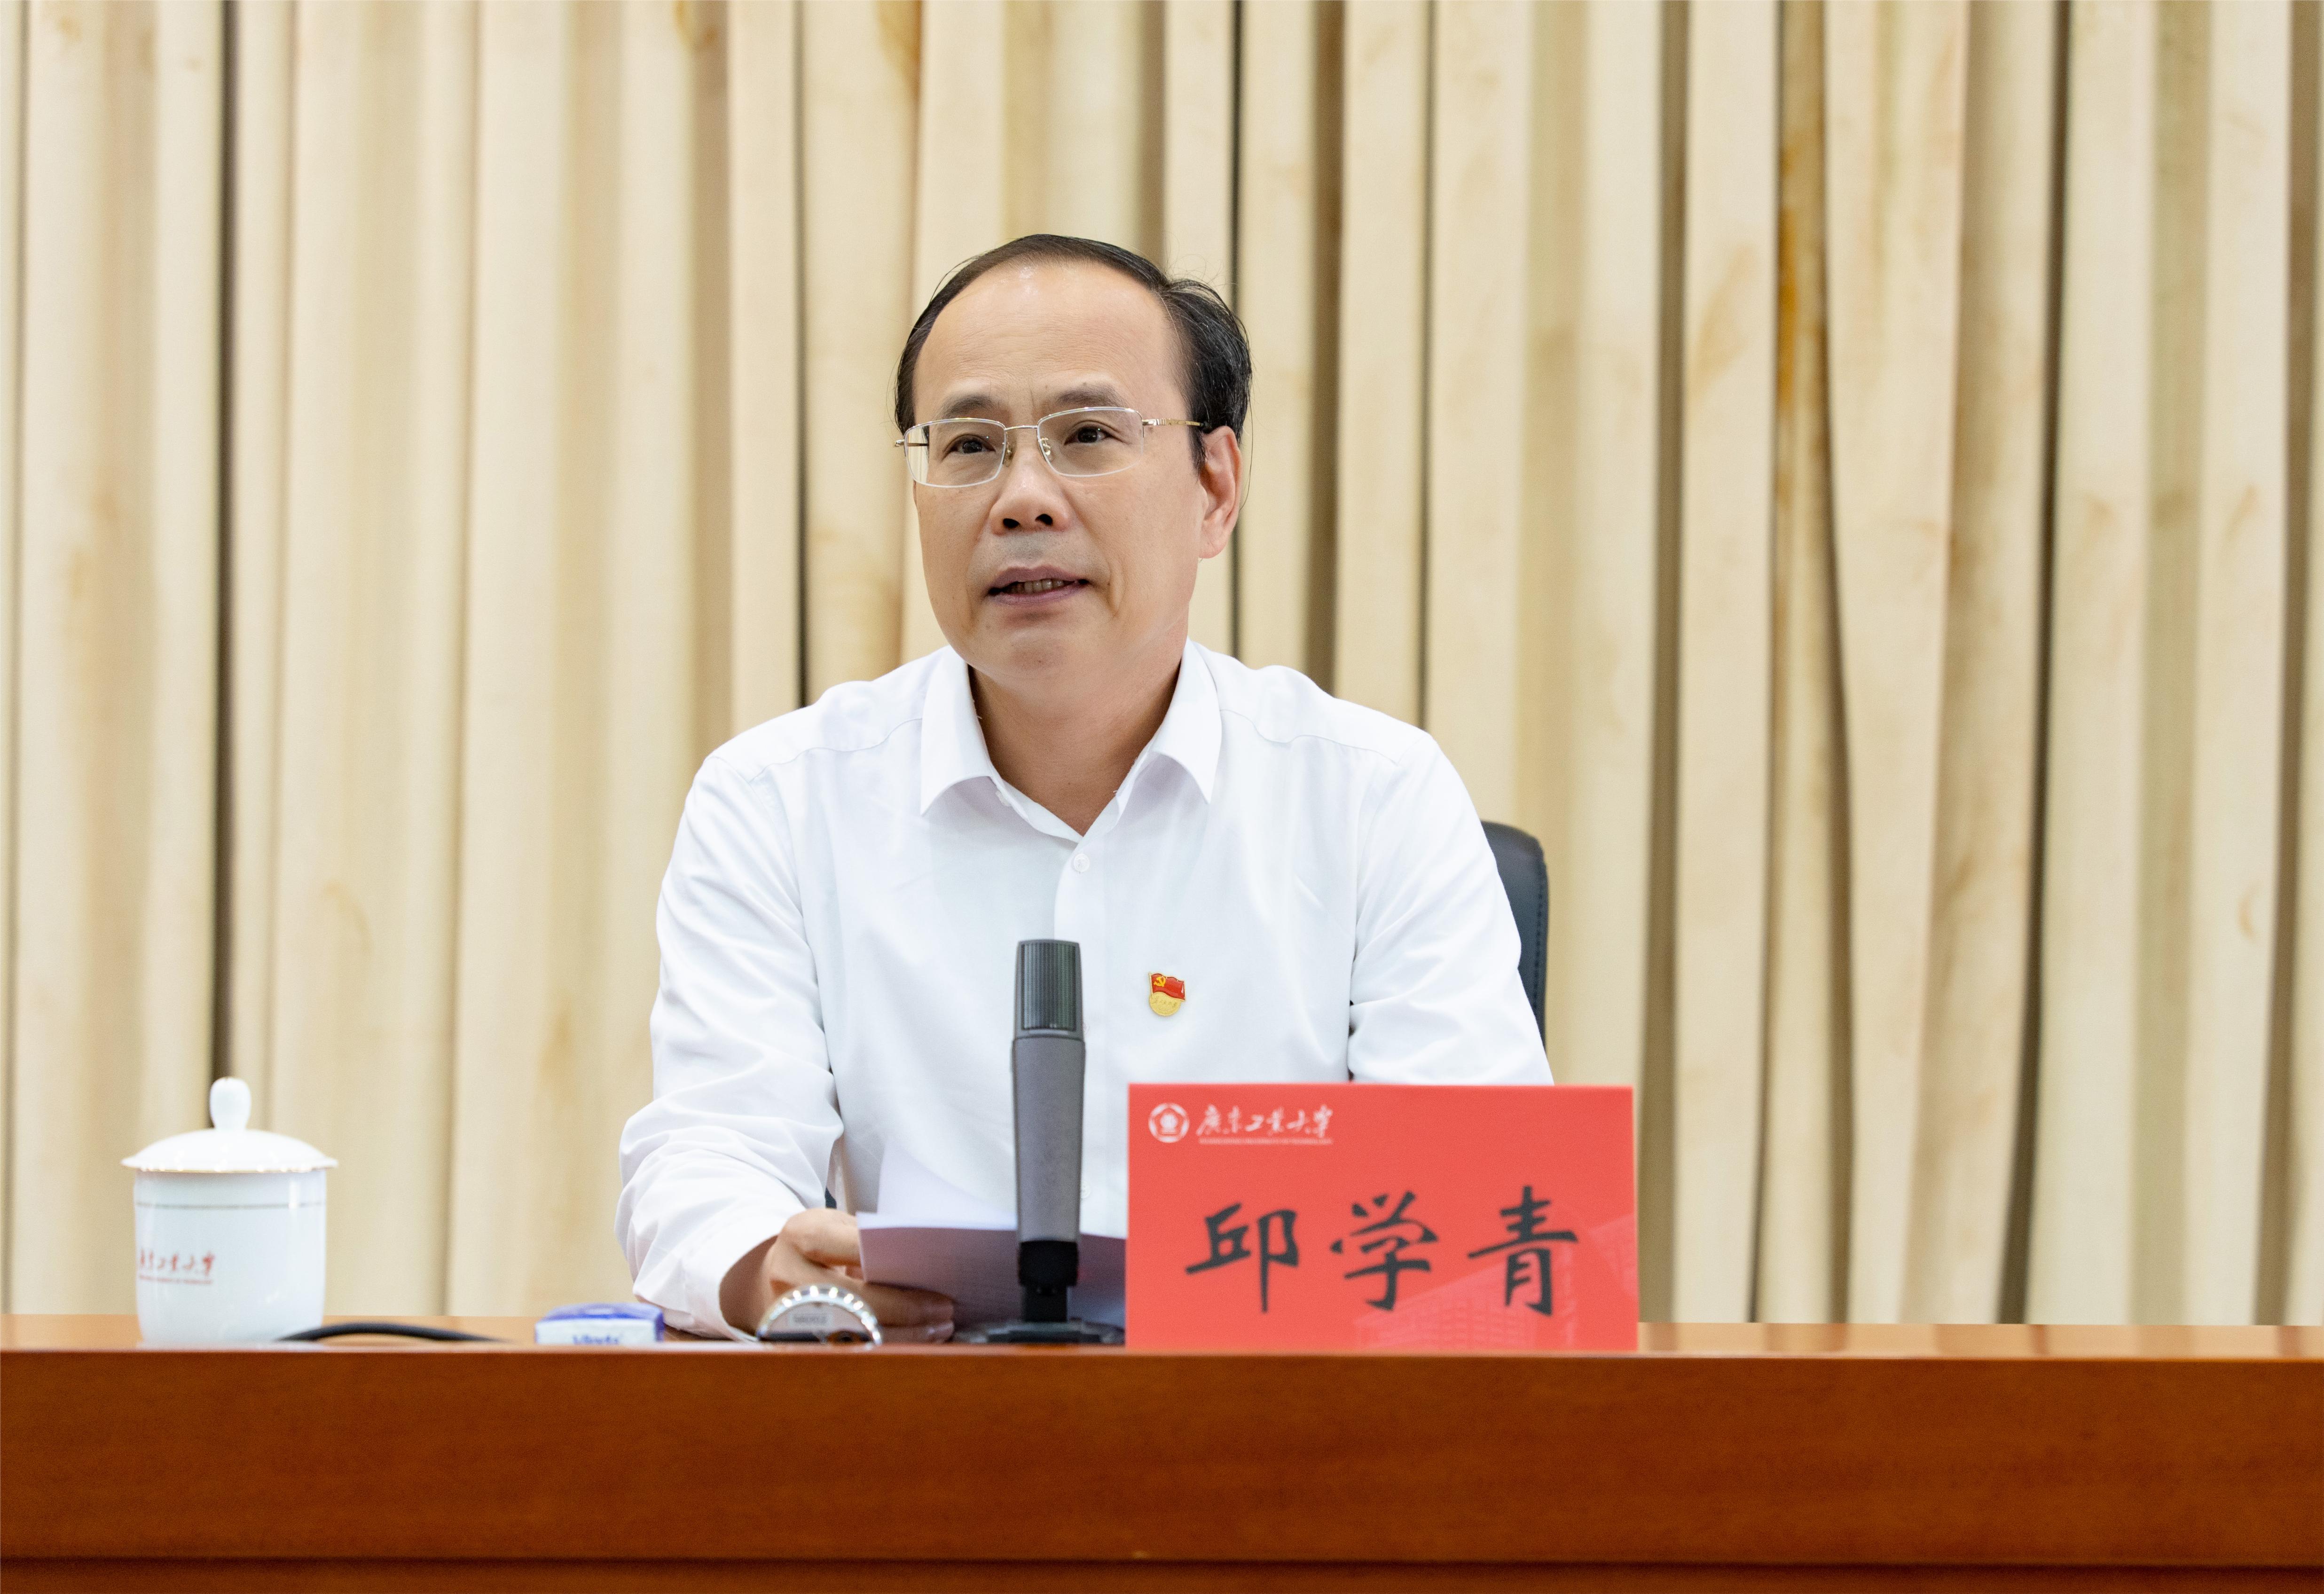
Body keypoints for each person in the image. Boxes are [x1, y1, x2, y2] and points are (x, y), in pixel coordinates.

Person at [618, 234, 1549, 1341]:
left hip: (1274, 1425)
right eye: (969, 445)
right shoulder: (777, 800)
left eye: (1089, 436)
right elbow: (707, 1154)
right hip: (926, 1421)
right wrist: (765, 1272)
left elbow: (1474, 1210)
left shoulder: (1374, 799)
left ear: (1216, 487)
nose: (1022, 499)